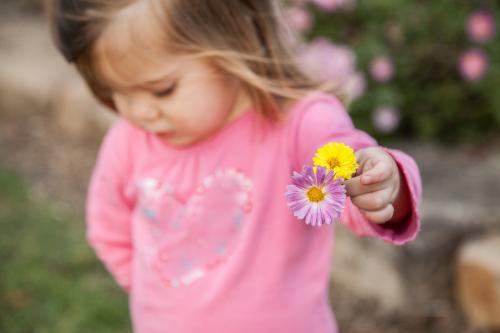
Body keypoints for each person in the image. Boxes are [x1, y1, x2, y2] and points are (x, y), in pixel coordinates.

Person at [47, 1, 422, 332]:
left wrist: (383, 185)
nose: (140, 111)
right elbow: (108, 229)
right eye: (116, 92)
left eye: (163, 89)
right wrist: (158, 295)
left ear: (233, 41)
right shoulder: (128, 141)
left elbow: (353, 181)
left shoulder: (299, 124)